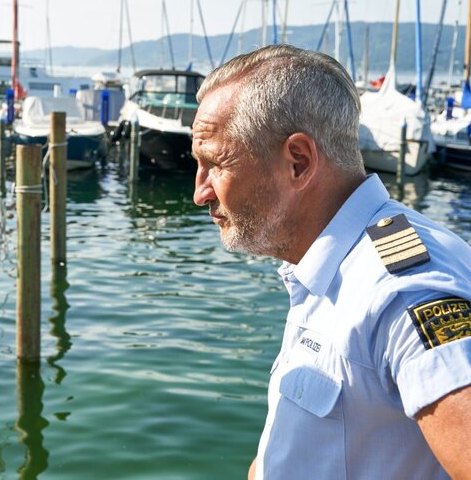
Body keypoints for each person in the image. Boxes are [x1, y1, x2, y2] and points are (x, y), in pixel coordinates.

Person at [192, 44, 471, 479]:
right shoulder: (326, 268)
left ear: (298, 163)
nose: (201, 192)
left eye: (215, 164)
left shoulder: (402, 290)